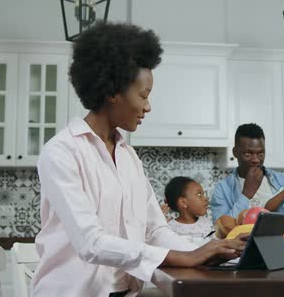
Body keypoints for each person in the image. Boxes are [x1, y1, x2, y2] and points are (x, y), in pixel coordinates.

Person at [31, 22, 245, 297]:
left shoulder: (128, 156)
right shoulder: (61, 152)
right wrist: (185, 257)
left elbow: (155, 230)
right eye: (143, 95)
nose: (148, 106)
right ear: (112, 92)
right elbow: (90, 243)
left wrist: (213, 250)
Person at [210, 123, 284, 227]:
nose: (255, 160)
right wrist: (246, 194)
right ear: (235, 152)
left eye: (260, 153)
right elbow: (221, 230)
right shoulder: (222, 190)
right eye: (248, 154)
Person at [164, 177, 213, 242]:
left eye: (203, 194)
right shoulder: (169, 229)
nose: (205, 198)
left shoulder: (209, 226)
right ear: (183, 202)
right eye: (199, 194)